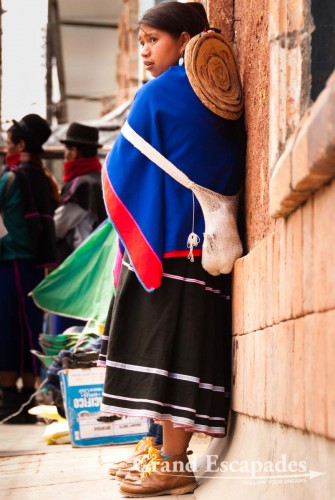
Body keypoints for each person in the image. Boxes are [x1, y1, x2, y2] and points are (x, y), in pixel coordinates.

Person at [99, 2, 245, 496]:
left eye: (152, 40)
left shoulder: (162, 94)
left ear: (185, 41)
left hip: (167, 247)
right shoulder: (217, 97)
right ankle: (163, 453)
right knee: (182, 353)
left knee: (166, 353)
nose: (144, 51)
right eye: (140, 41)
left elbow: (120, 171)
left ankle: (174, 465)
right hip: (204, 246)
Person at [0, 113, 59, 423]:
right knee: (29, 328)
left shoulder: (11, 178)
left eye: (10, 142)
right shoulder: (46, 178)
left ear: (21, 144)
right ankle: (23, 396)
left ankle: (10, 397)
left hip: (12, 264)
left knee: (9, 329)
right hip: (36, 267)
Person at [52, 122, 107, 334]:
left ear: (74, 152)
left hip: (77, 270)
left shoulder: (80, 185)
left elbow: (57, 227)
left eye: (67, 150)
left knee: (69, 332)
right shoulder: (101, 179)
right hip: (100, 268)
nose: (65, 155)